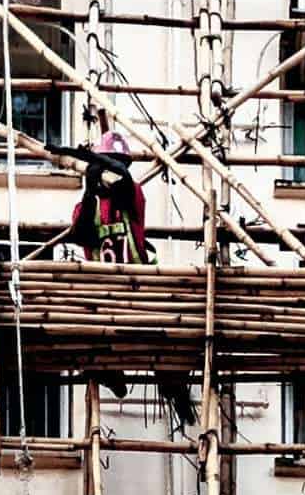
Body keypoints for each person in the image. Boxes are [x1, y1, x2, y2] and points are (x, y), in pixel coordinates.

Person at [51, 132, 199, 430]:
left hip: (137, 287)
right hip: (103, 293)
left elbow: (124, 183)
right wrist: (90, 188)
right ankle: (112, 373)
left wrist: (98, 161)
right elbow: (80, 232)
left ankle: (173, 387)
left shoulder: (133, 198)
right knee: (90, 330)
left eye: (119, 164)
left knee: (157, 342)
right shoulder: (88, 207)